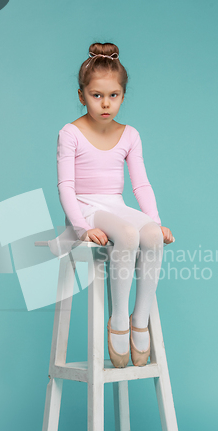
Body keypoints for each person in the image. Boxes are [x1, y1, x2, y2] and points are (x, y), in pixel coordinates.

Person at [48, 42, 175, 368]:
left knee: (150, 234)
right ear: (81, 95)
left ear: (122, 95)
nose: (105, 103)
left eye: (113, 95)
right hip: (86, 208)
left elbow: (141, 183)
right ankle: (118, 319)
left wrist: (156, 220)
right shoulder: (70, 133)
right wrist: (81, 227)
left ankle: (139, 318)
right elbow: (66, 186)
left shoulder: (129, 134)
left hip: (114, 204)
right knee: (128, 236)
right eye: (96, 95)